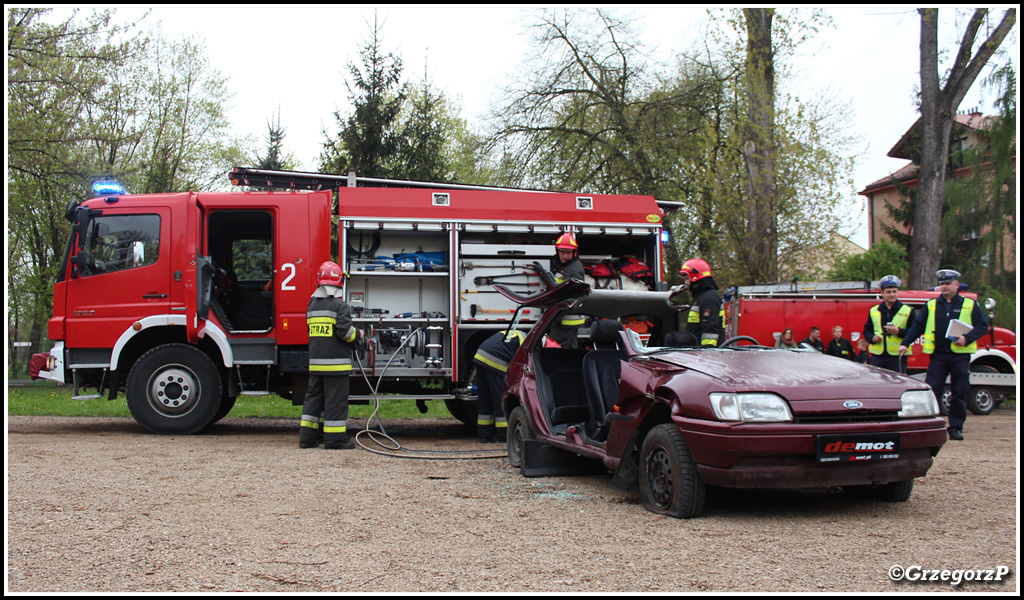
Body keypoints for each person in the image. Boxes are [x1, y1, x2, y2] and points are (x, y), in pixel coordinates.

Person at [900, 269, 988, 441]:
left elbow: (982, 326)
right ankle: (933, 426)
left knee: (959, 391)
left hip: (960, 356)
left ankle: (955, 427)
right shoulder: (931, 305)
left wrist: (966, 338)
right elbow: (918, 326)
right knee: (933, 391)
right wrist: (905, 343)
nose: (944, 287)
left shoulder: (969, 304)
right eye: (942, 284)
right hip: (938, 355)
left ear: (956, 285)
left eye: (948, 284)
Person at [300, 261, 363, 450]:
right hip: (335, 365)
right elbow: (344, 332)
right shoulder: (340, 306)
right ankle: (335, 440)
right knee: (335, 402)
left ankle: (308, 439)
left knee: (313, 400)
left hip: (316, 364)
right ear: (338, 283)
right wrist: (358, 335)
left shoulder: (312, 306)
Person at [472, 329, 525, 443]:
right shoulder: (526, 340)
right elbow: (523, 362)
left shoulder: (517, 334)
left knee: (485, 398)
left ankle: (484, 435)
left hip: (480, 355)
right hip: (495, 359)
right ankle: (502, 435)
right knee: (500, 398)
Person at [863, 275, 914, 372]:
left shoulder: (907, 310)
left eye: (894, 291)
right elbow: (867, 330)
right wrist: (872, 338)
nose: (892, 295)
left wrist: (899, 331)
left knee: (898, 384)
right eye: (889, 292)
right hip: (878, 356)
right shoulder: (874, 310)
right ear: (882, 293)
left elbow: (914, 331)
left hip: (898, 356)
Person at [548, 232, 586, 348]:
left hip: (565, 320)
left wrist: (557, 316)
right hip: (568, 320)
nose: (564, 256)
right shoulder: (567, 266)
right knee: (569, 352)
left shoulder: (574, 270)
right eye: (562, 252)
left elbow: (571, 295)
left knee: (553, 350)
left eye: (568, 253)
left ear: (574, 253)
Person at [679, 258, 724, 347]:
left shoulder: (709, 298)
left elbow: (710, 332)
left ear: (696, 278)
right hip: (697, 354)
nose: (686, 283)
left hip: (705, 356)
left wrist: (707, 354)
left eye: (687, 279)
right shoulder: (702, 298)